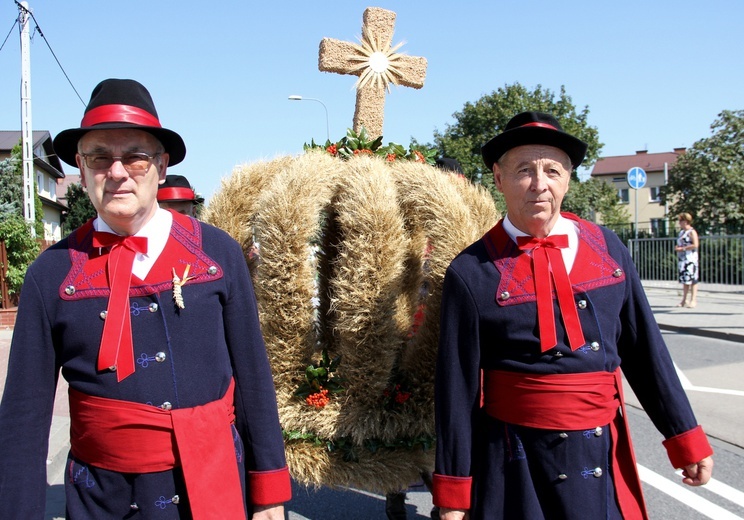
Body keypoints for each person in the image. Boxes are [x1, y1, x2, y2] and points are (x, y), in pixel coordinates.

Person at [0, 79, 290, 519]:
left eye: (134, 156)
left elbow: (253, 378)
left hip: (212, 488)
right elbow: (24, 417)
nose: (116, 172)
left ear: (160, 163)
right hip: (105, 501)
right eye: (99, 157)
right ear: (80, 167)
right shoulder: (52, 274)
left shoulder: (217, 253)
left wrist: (268, 491)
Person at [431, 112, 714, 520]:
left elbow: (645, 351)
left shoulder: (608, 248)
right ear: (498, 177)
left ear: (568, 177)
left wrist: (684, 436)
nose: (539, 184)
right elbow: (455, 389)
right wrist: (453, 493)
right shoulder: (470, 271)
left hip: (600, 453)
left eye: (552, 170)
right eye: (524, 170)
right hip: (515, 461)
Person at [675, 212, 699, 308]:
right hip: (683, 259)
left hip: (691, 259)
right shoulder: (682, 232)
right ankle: (684, 300)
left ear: (686, 221)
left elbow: (695, 244)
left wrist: (683, 249)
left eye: (681, 220)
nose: (679, 223)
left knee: (692, 280)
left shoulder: (692, 232)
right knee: (685, 280)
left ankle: (693, 300)